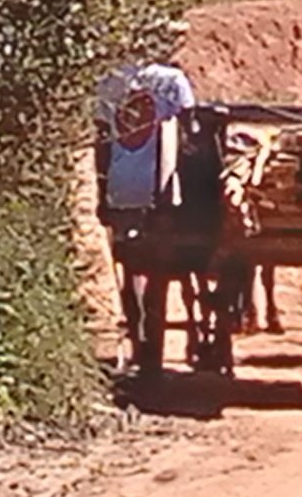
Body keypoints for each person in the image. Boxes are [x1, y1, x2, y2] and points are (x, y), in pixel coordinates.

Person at [94, 34, 199, 376]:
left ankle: (139, 340)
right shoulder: (172, 82)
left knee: (128, 266)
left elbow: (101, 140)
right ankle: (151, 346)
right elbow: (190, 134)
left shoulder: (111, 82)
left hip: (121, 187)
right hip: (165, 190)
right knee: (158, 267)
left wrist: (103, 191)